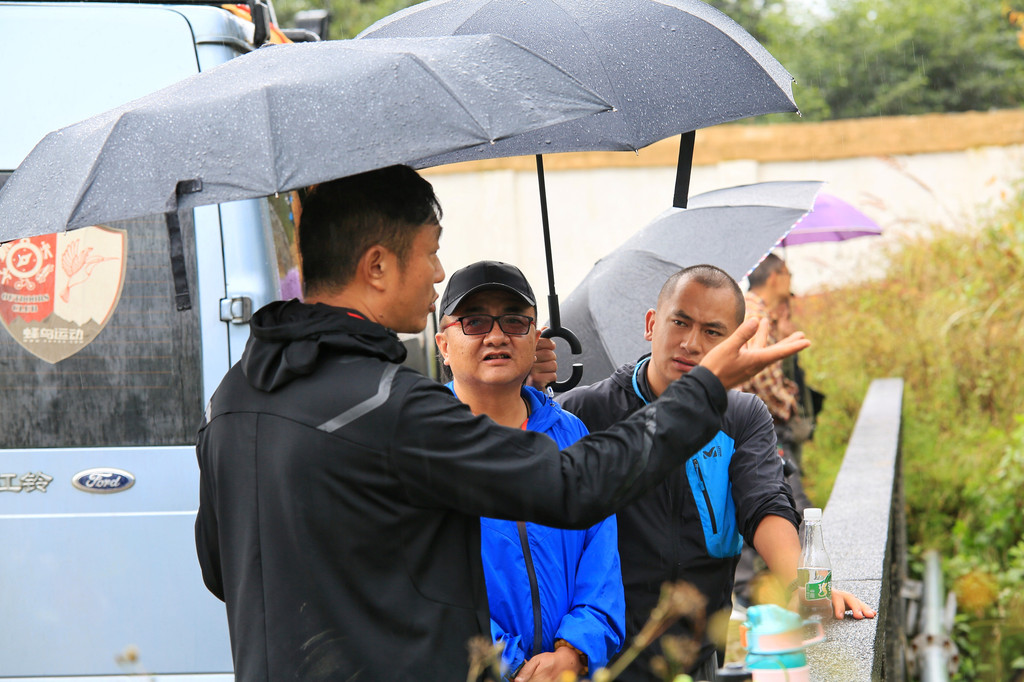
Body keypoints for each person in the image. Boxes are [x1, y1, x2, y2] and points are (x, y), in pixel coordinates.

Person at [193, 165, 809, 681]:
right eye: (430, 252)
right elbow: (573, 486)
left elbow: (224, 570)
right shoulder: (392, 407)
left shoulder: (233, 397)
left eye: (515, 321)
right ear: (377, 266)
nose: (437, 273)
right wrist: (704, 391)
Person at [557, 265, 875, 682]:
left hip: (699, 650)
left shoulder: (741, 414)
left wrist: (799, 584)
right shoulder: (582, 411)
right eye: (680, 322)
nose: (691, 343)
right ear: (652, 324)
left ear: (734, 343)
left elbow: (764, 501)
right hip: (603, 653)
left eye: (712, 332)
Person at [435, 260, 625, 682]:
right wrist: (510, 666)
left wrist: (575, 650)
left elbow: (601, 558)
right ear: (443, 345)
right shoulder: (424, 443)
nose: (497, 336)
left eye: (515, 321)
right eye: (474, 322)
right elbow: (428, 586)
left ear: (536, 339)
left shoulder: (570, 434)